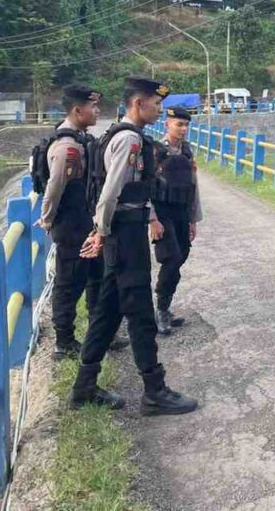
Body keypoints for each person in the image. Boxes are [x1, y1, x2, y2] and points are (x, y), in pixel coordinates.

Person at [71, 76, 198, 416]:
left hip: (123, 232)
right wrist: (100, 232)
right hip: (125, 235)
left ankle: (83, 387)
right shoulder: (130, 140)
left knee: (108, 311)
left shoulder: (123, 135)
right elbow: (111, 191)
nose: (159, 110)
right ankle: (154, 391)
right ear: (138, 104)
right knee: (141, 314)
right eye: (155, 105)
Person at [38, 85, 105, 359]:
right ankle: (63, 342)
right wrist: (47, 219)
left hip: (85, 221)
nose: (97, 111)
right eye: (93, 107)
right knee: (69, 282)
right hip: (71, 225)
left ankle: (100, 333)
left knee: (96, 276)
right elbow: (54, 188)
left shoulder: (80, 138)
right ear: (77, 110)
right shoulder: (67, 146)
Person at [153, 106, 202, 334]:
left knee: (181, 256)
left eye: (186, 125)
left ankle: (165, 306)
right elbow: (146, 187)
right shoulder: (156, 151)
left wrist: (193, 220)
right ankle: (161, 310)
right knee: (171, 258)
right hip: (163, 213)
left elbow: (193, 187)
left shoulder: (187, 152)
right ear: (167, 124)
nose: (183, 129)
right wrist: (152, 219)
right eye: (178, 124)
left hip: (182, 212)